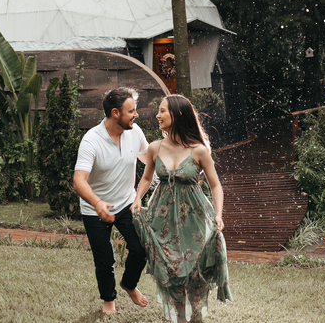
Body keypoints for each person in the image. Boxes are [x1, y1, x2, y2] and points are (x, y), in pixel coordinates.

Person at [133, 94, 232, 323]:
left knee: (194, 272)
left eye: (162, 111)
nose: (157, 115)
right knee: (172, 271)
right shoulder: (154, 147)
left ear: (177, 114)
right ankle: (179, 317)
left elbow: (215, 185)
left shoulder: (198, 150)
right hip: (163, 218)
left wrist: (218, 214)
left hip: (195, 219)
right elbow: (147, 178)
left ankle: (195, 317)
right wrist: (138, 198)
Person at [73, 87, 151, 315]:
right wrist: (97, 203)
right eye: (131, 111)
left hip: (126, 202)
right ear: (115, 113)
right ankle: (109, 300)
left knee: (140, 249)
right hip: (94, 208)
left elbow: (150, 161)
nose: (136, 115)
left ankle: (129, 284)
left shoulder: (135, 132)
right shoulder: (91, 141)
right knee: (105, 259)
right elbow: (79, 181)